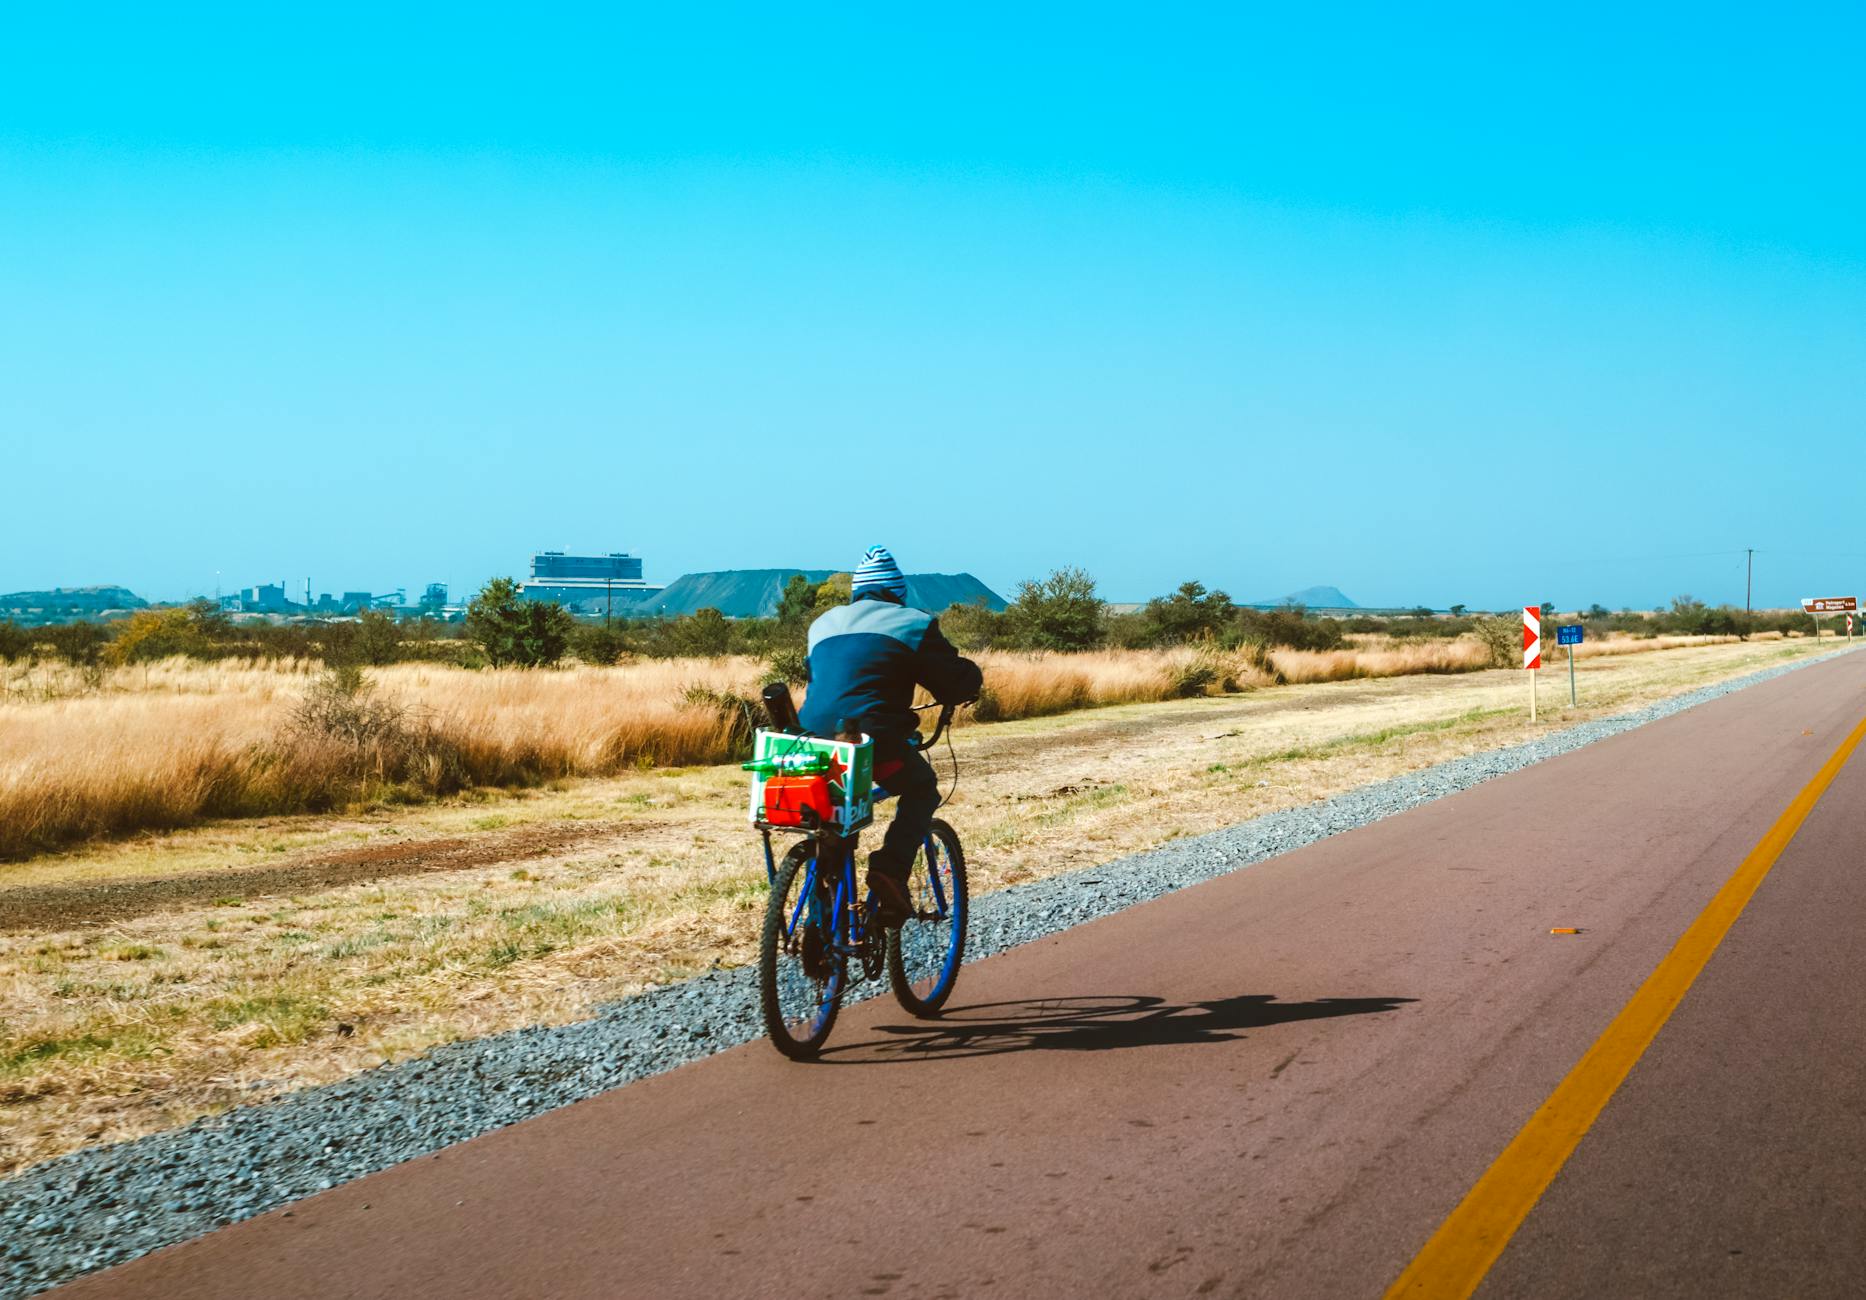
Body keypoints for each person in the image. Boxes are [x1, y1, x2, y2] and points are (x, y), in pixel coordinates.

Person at [800, 545, 982, 924]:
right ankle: (890, 870)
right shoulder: (912, 623)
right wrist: (969, 684)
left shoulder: (822, 624)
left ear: (856, 592)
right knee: (922, 788)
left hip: (810, 739)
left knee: (837, 814)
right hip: (873, 742)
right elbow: (951, 679)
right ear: (898, 592)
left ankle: (821, 927)